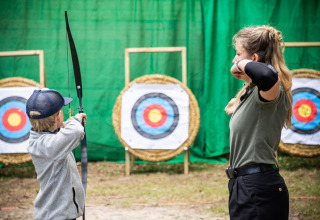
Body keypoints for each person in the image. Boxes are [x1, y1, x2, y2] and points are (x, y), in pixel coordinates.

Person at [225, 25, 292, 220]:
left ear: (253, 59)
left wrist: (239, 65)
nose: (234, 60)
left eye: (238, 54)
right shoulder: (254, 91)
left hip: (258, 187)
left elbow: (267, 75)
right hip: (246, 186)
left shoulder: (272, 89)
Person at [26, 89, 87, 220]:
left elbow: (57, 135)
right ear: (58, 116)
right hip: (55, 216)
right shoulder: (49, 146)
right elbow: (75, 131)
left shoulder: (39, 139)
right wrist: (75, 120)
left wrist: (64, 125)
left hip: (57, 214)